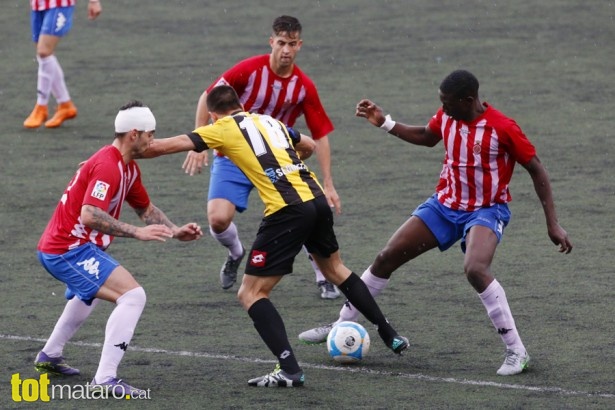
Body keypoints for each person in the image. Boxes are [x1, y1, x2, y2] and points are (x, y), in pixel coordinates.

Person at [298, 69, 573, 376]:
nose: (442, 108)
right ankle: (341, 325)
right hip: (444, 205)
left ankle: (516, 351)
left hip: (486, 210)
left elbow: (536, 169)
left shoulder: (503, 128)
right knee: (386, 257)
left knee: (475, 269)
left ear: (468, 100)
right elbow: (428, 137)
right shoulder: (448, 117)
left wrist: (553, 224)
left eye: (447, 102)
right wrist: (384, 122)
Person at [144, 85, 408, 387]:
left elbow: (162, 147)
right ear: (241, 104)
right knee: (335, 269)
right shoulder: (270, 121)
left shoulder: (220, 128)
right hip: (316, 198)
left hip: (287, 210)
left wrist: (124, 148)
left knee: (251, 293)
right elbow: (308, 145)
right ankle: (389, 332)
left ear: (214, 115)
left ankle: (290, 370)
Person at [34, 101, 203, 395]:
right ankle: (105, 379)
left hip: (74, 247)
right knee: (133, 296)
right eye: (151, 134)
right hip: (67, 250)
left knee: (96, 293)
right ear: (134, 134)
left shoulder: (126, 167)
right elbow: (89, 214)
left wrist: (175, 231)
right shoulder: (108, 167)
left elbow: (145, 209)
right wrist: (137, 233)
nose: (154, 141)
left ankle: (50, 354)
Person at [183, 15, 341, 298]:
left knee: (302, 210)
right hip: (234, 157)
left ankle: (323, 275)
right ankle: (235, 252)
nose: (286, 50)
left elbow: (321, 136)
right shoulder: (249, 70)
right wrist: (200, 141)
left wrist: (328, 183)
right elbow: (207, 96)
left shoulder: (303, 86)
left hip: (279, 161)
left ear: (299, 45)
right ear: (272, 42)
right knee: (217, 220)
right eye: (281, 43)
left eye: (292, 44)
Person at [24, 0, 102, 129]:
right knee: (45, 55)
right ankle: (65, 104)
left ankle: (41, 105)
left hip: (59, 4)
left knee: (44, 51)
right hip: (37, 4)